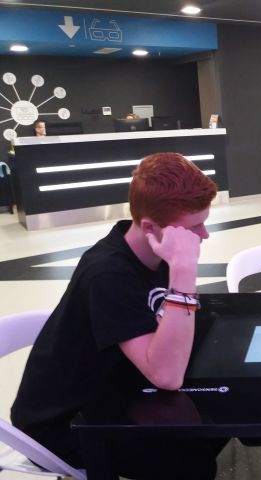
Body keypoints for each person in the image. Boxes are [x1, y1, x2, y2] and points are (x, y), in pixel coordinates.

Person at [11, 152, 225, 479]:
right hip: (61, 424)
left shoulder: (152, 250)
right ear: (150, 227)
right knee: (192, 460)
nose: (205, 235)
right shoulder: (108, 274)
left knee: (215, 421)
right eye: (194, 226)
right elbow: (167, 376)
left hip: (116, 385)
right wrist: (184, 272)